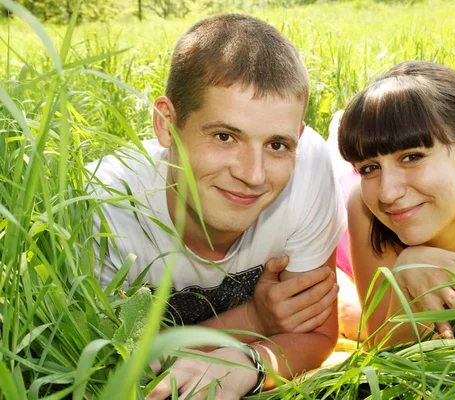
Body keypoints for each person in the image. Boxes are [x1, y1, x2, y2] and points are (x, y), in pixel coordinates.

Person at [88, 14, 346, 399]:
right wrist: (253, 320)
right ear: (166, 123)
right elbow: (109, 362)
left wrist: (249, 363)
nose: (254, 174)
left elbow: (316, 335)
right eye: (225, 136)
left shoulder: (307, 165)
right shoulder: (104, 205)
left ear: (299, 136)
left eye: (277, 145)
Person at [334, 61, 455, 347]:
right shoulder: (364, 205)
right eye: (368, 167)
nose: (387, 193)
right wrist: (403, 273)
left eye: (411, 157)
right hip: (347, 242)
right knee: (346, 313)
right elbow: (387, 345)